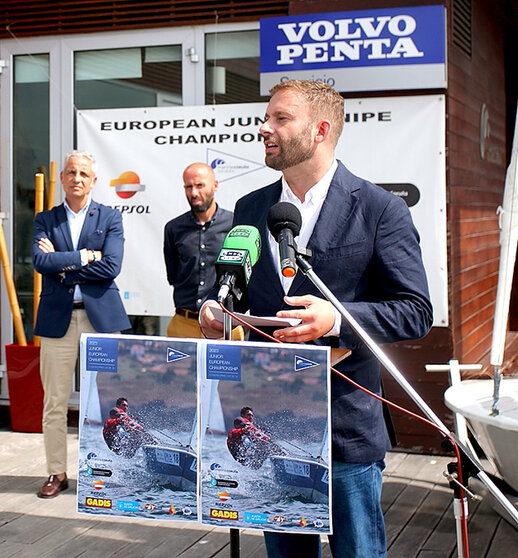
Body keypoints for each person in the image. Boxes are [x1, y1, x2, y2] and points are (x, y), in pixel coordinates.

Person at [200, 80, 432, 557]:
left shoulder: (378, 209)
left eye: (280, 119)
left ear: (321, 129)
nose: (264, 128)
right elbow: (236, 287)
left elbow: (415, 310)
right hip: (269, 428)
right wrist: (216, 308)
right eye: (266, 118)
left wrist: (336, 318)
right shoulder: (250, 208)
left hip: (344, 428)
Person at [32, 150, 130, 498]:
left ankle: (106, 470)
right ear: (62, 178)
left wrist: (64, 266)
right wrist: (86, 256)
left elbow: (112, 266)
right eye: (71, 172)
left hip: (100, 319)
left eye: (83, 174)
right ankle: (56, 473)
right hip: (58, 320)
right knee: (54, 400)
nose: (76, 178)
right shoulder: (46, 219)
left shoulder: (110, 217)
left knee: (105, 400)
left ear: (93, 181)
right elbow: (40, 261)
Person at [163, 162, 241, 339]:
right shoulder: (173, 228)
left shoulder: (235, 225)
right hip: (183, 324)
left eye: (199, 185)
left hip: (226, 323)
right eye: (188, 187)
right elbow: (174, 275)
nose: (194, 193)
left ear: (215, 185)